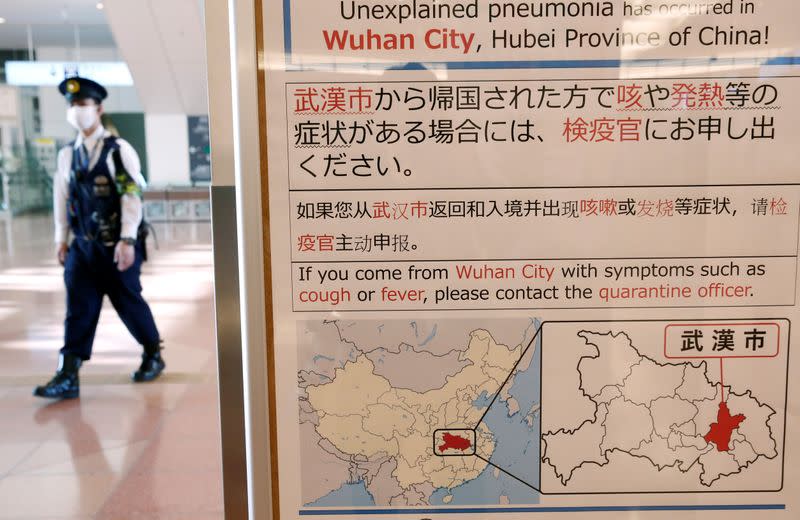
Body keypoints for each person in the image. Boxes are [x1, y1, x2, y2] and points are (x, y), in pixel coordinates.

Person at [34, 76, 165, 399]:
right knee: (78, 307)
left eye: (83, 105)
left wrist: (127, 239)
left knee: (128, 302)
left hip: (116, 246)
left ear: (99, 108)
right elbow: (61, 199)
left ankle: (152, 353)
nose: (78, 111)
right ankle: (68, 373)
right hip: (82, 247)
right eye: (73, 105)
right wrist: (60, 239)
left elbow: (132, 196)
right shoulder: (68, 155)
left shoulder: (118, 151)